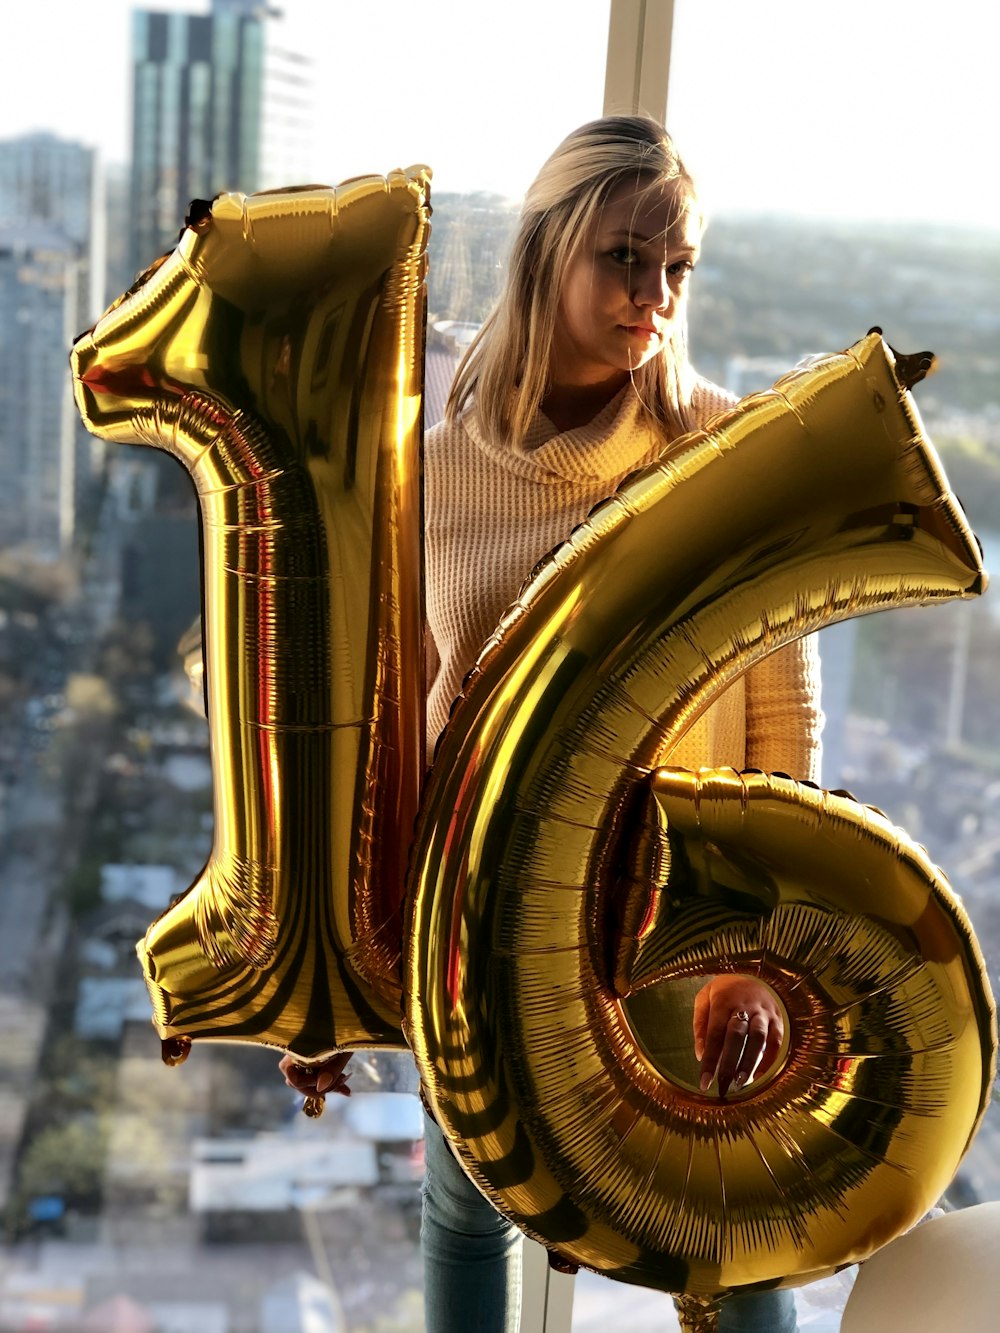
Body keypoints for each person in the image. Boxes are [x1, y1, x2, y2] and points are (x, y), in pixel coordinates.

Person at [282, 115, 822, 1333]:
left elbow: (779, 707)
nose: (655, 298)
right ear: (548, 248)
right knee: (467, 1214)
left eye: (677, 268)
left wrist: (755, 943)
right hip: (482, 915)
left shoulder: (717, 450)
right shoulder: (428, 468)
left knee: (731, 1240)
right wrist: (339, 978)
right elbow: (394, 742)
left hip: (678, 914)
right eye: (625, 259)